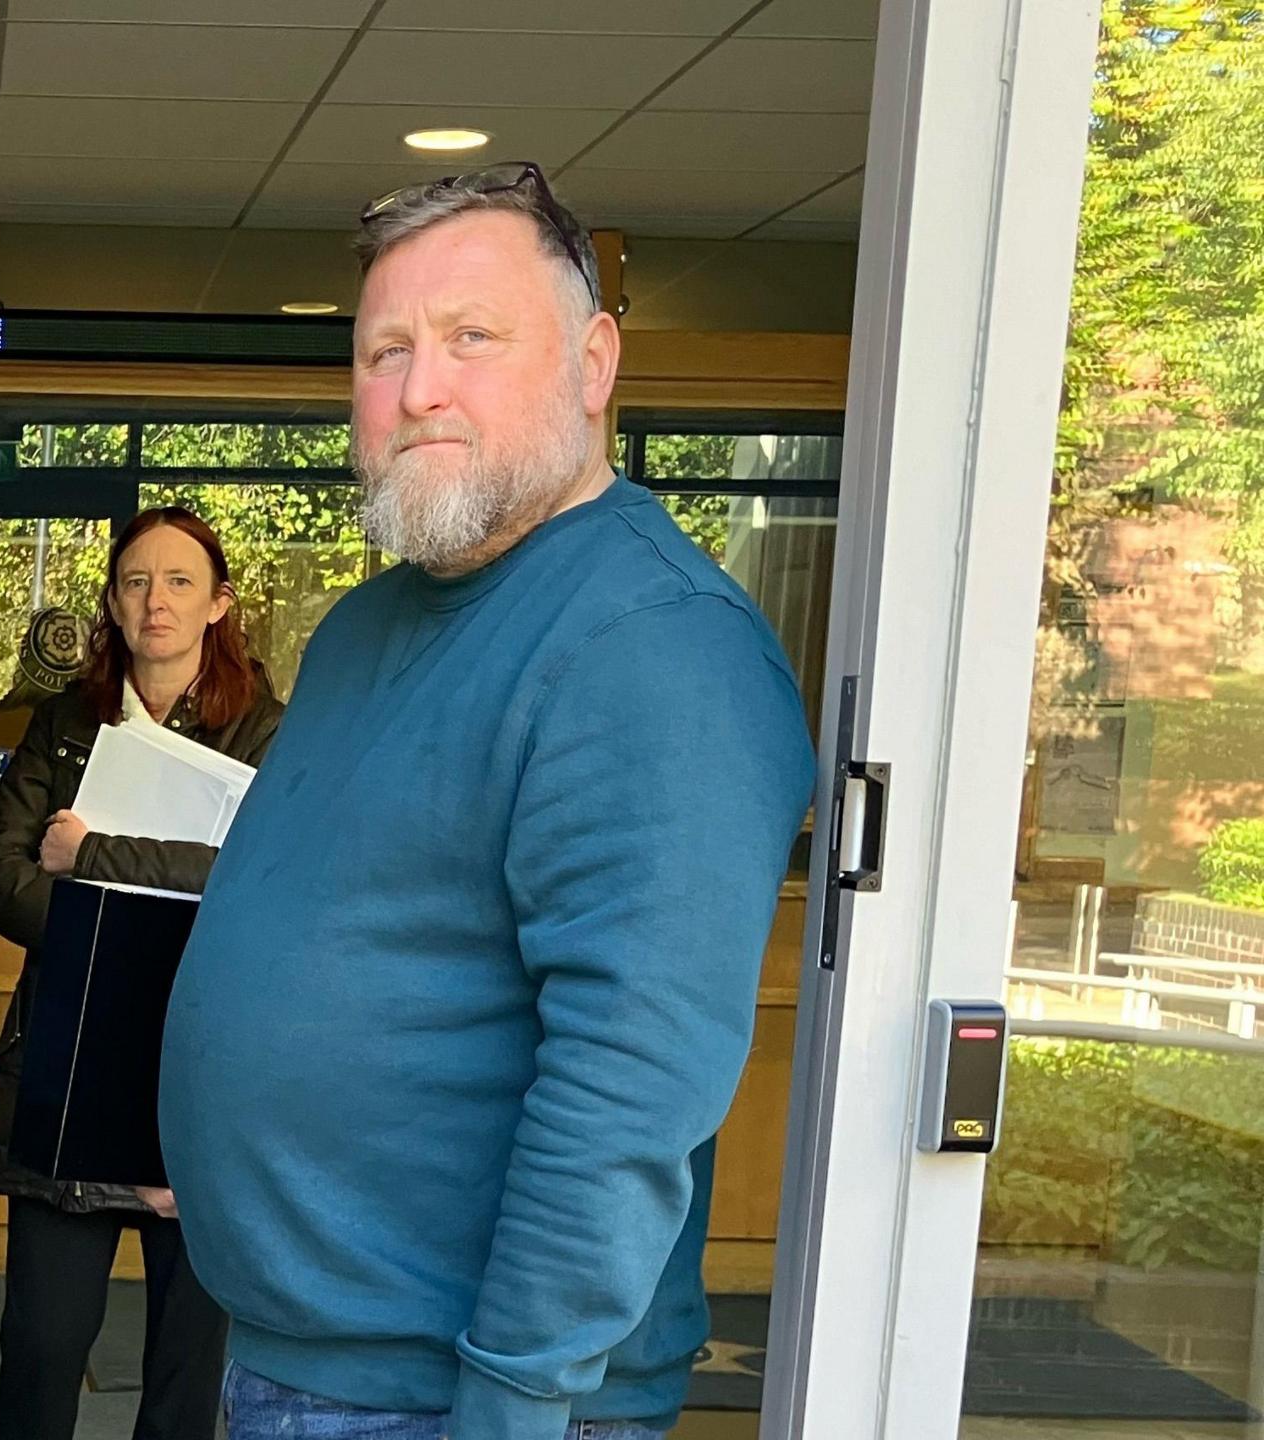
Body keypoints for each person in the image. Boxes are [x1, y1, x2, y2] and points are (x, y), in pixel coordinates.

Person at [158, 163, 816, 1440]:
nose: (419, 389)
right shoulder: (363, 628)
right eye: (383, 350)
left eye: (471, 338)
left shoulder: (653, 647)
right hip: (301, 1351)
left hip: (468, 1394)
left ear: (593, 360)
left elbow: (625, 1086)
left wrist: (514, 1403)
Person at [0, 505, 284, 1440]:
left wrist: (98, 854)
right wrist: (117, 921)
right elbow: (2, 873)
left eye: (180, 581)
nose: (156, 601)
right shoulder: (66, 720)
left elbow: (257, 883)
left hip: (202, 1062)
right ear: (112, 599)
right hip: (70, 1051)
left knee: (189, 1371)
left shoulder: (264, 729)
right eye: (136, 581)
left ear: (219, 603)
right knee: (40, 1348)